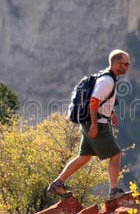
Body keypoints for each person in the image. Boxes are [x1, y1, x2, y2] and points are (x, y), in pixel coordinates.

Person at [47, 49, 131, 200]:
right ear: (117, 64)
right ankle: (114, 192)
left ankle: (57, 184)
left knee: (84, 157)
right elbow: (94, 101)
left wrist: (111, 113)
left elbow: (102, 100)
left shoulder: (106, 76)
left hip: (92, 121)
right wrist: (94, 125)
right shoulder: (107, 81)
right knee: (116, 155)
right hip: (97, 123)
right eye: (126, 64)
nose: (128, 66)